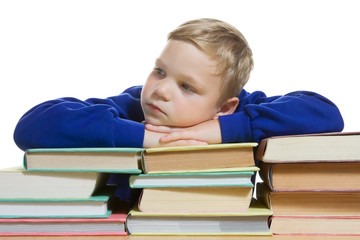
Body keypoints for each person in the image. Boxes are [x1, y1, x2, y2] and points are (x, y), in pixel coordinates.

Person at [13, 18, 344, 152]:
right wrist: (142, 135)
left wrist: (224, 130)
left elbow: (324, 112)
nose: (161, 90)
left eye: (187, 87)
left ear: (224, 106)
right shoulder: (130, 108)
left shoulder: (240, 110)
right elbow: (32, 125)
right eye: (160, 71)